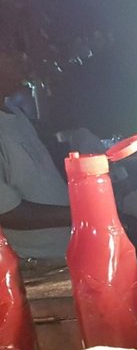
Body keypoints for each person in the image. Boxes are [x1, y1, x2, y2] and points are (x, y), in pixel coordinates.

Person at [0, 56, 71, 260]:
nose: (21, 59)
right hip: (34, 267)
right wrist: (82, 214)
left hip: (65, 251)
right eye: (9, 52)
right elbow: (8, 213)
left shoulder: (14, 113)